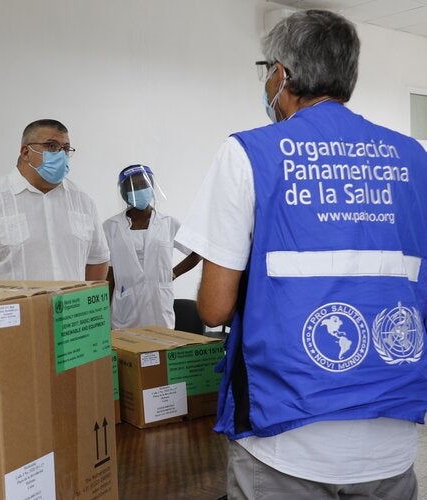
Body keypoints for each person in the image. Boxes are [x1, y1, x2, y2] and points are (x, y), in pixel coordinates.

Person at [175, 10, 427, 499]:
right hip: (393, 434)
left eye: (266, 68)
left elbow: (213, 308)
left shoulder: (249, 152)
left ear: (283, 74)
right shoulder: (414, 158)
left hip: (286, 436)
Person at [0, 119, 109, 281]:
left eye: (65, 148)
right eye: (51, 146)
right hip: (13, 310)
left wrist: (84, 305)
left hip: (69, 310)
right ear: (26, 152)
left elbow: (98, 259)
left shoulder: (83, 201)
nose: (61, 154)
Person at [103, 164, 200, 329]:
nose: (141, 190)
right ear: (125, 194)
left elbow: (196, 253)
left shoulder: (168, 223)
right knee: (126, 351)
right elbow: (110, 273)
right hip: (125, 310)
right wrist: (102, 313)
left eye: (144, 185)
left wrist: (173, 274)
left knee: (159, 349)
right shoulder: (111, 226)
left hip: (159, 308)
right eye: (135, 187)